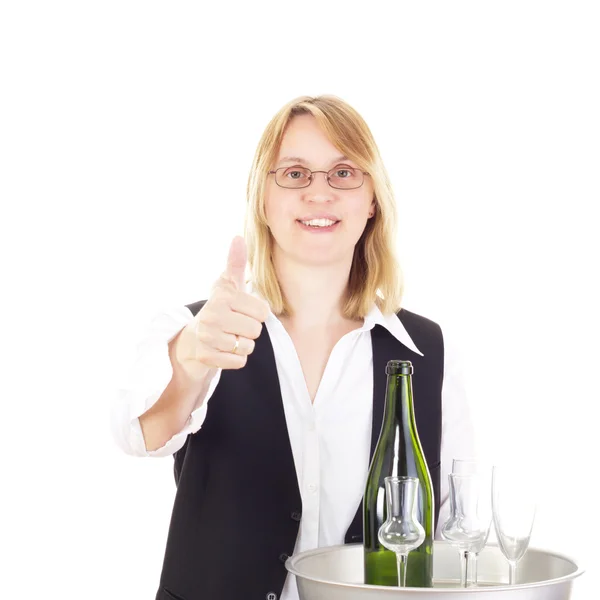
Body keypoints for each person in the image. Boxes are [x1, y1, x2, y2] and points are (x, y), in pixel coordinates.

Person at [110, 94, 476, 600]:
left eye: (344, 173)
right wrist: (193, 357)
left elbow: (452, 525)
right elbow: (140, 436)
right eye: (295, 173)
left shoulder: (427, 350)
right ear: (263, 197)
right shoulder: (198, 328)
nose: (319, 194)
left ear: (372, 199)